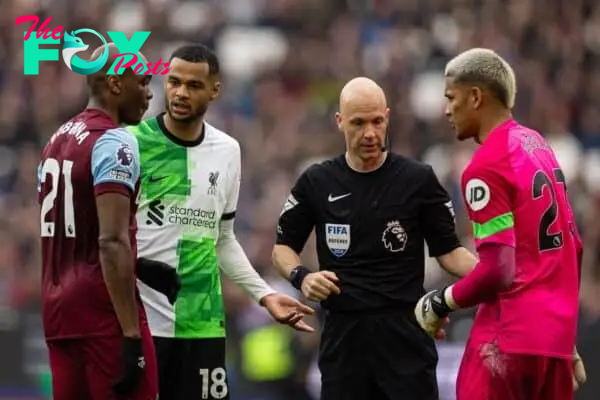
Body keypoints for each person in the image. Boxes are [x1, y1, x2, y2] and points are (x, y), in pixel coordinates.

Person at [272, 76, 478, 400]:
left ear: (387, 117)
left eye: (377, 121)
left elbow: (450, 253)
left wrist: (496, 275)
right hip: (344, 339)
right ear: (340, 122)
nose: (369, 133)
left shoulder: (418, 180)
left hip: (405, 337)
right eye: (358, 123)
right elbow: (283, 248)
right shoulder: (317, 181)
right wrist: (302, 277)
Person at [127, 43, 315, 400]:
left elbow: (224, 238)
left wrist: (264, 295)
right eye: (174, 82)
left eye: (194, 85)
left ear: (215, 90)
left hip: (202, 325)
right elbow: (111, 240)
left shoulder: (227, 150)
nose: (181, 92)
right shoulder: (133, 145)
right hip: (143, 326)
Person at [414, 48, 587, 400]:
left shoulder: (487, 165)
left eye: (451, 97)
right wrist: (564, 340)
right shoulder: (538, 146)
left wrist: (440, 302)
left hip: (507, 339)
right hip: (553, 343)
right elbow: (574, 246)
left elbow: (498, 269)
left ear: (475, 97)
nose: (446, 110)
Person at [37, 43, 158, 399]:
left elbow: (75, 232)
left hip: (59, 316)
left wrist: (140, 266)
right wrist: (131, 335)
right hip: (104, 314)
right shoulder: (113, 142)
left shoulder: (54, 141)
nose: (150, 92)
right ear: (116, 83)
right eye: (143, 81)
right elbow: (109, 241)